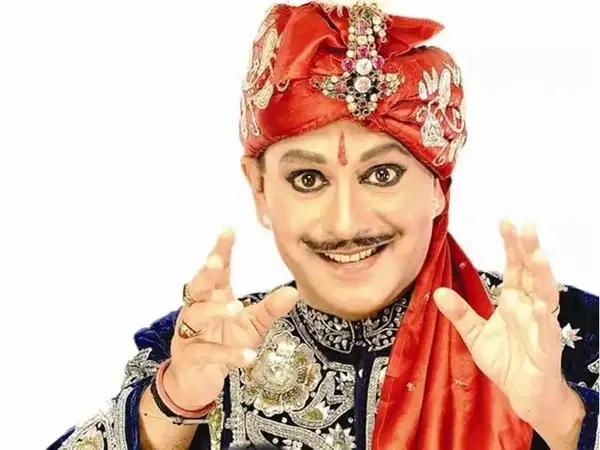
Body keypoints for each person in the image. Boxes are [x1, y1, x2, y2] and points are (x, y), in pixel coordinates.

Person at [48, 1, 598, 449]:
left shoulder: (560, 338)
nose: (345, 221)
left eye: (382, 174)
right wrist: (174, 405)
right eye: (308, 179)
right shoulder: (203, 349)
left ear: (438, 185)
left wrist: (560, 415)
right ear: (260, 190)